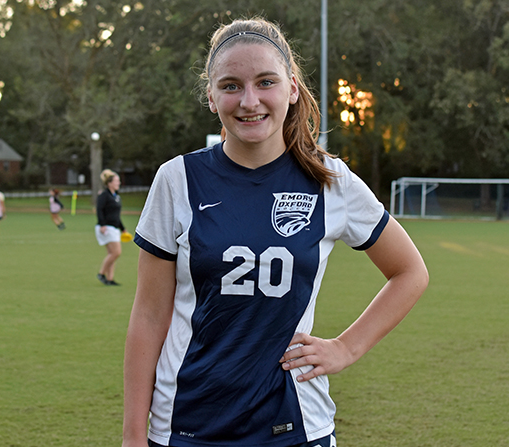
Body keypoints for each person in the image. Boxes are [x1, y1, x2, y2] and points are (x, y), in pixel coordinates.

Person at [122, 17, 429, 447]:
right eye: (230, 86)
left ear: (292, 88)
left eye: (265, 82)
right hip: (184, 426)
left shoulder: (329, 180)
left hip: (296, 425)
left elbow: (410, 272)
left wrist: (346, 347)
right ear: (211, 97)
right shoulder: (178, 180)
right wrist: (134, 436)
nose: (249, 101)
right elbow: (149, 315)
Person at [96, 169, 126, 286]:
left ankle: (110, 279)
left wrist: (122, 228)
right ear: (109, 183)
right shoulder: (104, 195)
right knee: (116, 252)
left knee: (112, 253)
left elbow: (116, 215)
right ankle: (101, 273)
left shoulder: (116, 196)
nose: (118, 183)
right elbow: (99, 210)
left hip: (114, 227)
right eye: (116, 181)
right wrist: (102, 224)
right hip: (107, 227)